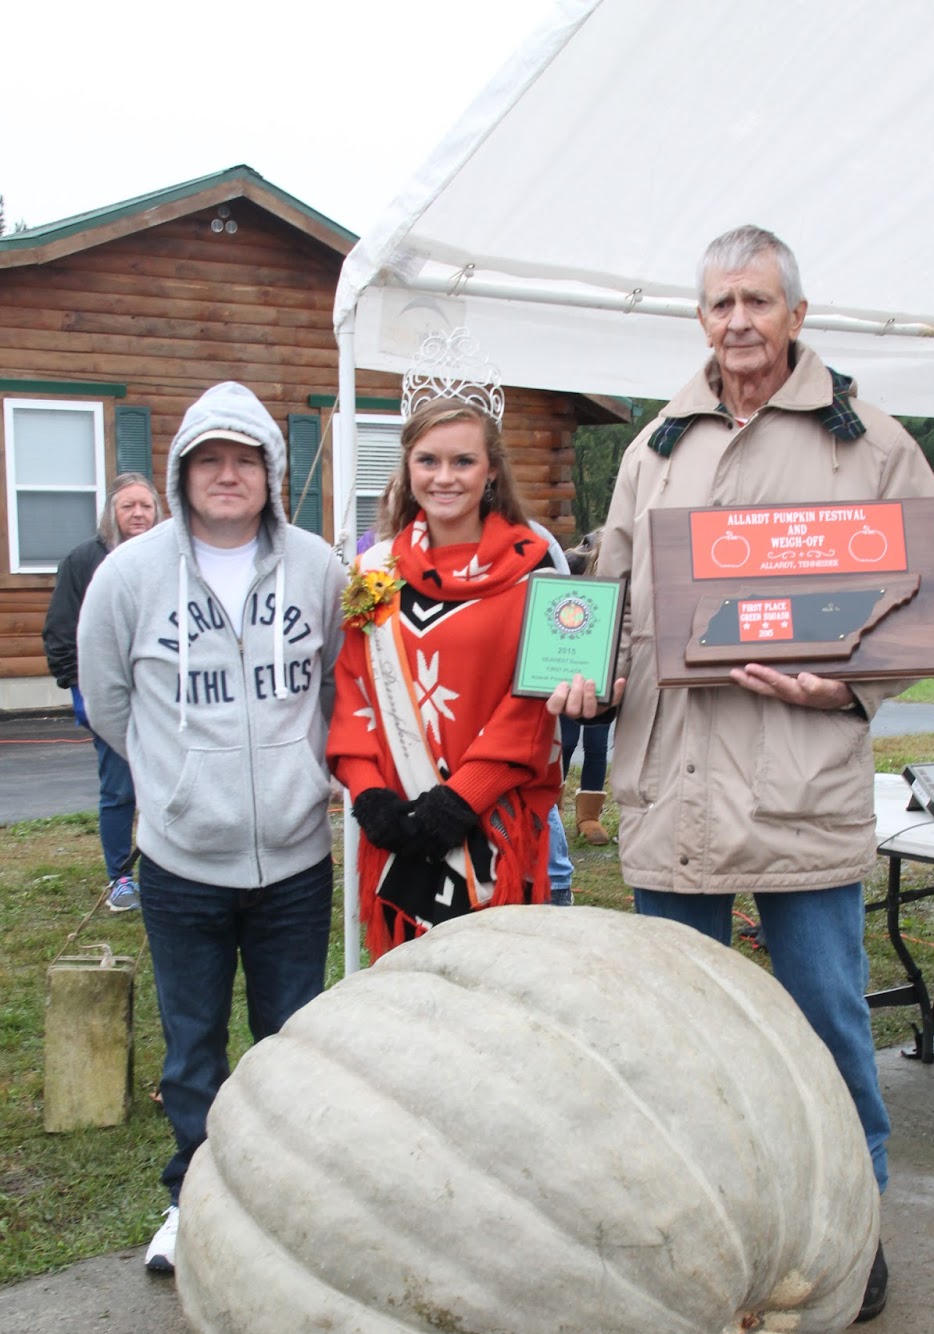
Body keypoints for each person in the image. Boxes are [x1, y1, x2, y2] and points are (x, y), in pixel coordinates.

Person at [551, 225, 934, 1321]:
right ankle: (706, 1241)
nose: (736, 320)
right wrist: (575, 672)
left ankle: (853, 1232)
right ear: (699, 319)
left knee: (826, 1022)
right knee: (679, 1035)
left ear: (794, 314)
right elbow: (606, 590)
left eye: (756, 300)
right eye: (717, 303)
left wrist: (844, 689)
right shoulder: (653, 447)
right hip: (672, 783)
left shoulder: (868, 441)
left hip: (797, 783)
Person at [78, 382, 346, 1273]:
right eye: (209, 460)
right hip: (183, 861)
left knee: (292, 1036)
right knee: (193, 1045)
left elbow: (341, 687)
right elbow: (110, 704)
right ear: (182, 470)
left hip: (297, 861)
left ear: (271, 472)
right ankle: (192, 1199)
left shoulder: (317, 569)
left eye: (244, 460)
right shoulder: (129, 577)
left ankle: (287, 1202)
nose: (226, 476)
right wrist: (177, 784)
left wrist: (302, 781)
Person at [327, 395, 561, 960]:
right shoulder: (374, 570)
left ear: (492, 471)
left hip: (493, 824)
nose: (444, 478)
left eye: (463, 461)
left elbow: (532, 705)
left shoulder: (536, 569)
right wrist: (369, 793)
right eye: (428, 461)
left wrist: (462, 798)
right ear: (408, 471)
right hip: (398, 824)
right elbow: (353, 687)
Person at [42, 473, 163, 911]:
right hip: (109, 695)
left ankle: (163, 871)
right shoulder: (84, 562)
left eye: (145, 506)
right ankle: (120, 879)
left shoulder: (169, 558)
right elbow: (60, 630)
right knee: (119, 790)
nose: (137, 514)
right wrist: (79, 687)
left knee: (162, 786)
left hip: (163, 697)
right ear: (111, 513)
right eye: (128, 506)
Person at [561, 530, 612, 846]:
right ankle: (551, 808)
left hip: (603, 669)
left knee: (596, 744)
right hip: (567, 664)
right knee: (564, 742)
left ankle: (588, 817)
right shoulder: (573, 563)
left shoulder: (627, 575)